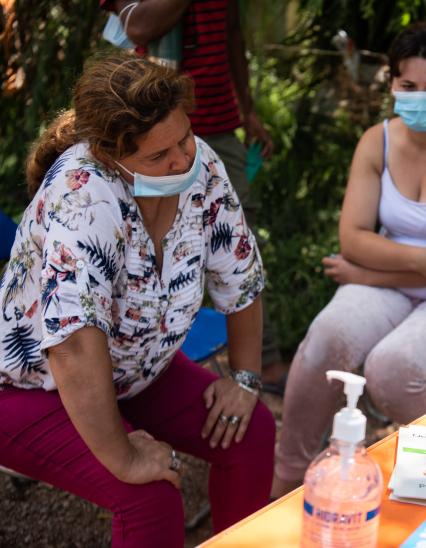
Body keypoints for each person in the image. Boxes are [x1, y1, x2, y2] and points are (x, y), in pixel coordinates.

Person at [0, 54, 274, 546]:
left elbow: (241, 275)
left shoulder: (201, 167)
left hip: (136, 373)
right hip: (29, 388)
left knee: (249, 430)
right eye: (158, 156)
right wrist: (123, 456)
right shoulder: (82, 195)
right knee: (149, 495)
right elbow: (73, 348)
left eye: (185, 137)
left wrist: (246, 379)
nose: (183, 159)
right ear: (109, 156)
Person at [272, 22, 426, 496]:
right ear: (391, 84)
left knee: (392, 368)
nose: (420, 97)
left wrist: (365, 268)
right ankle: (284, 480)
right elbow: (353, 240)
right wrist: (398, 261)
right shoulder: (376, 140)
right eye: (408, 87)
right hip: (395, 285)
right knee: (325, 340)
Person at [101, 0, 280, 369]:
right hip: (151, 136)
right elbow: (138, 27)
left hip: (219, 123)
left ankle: (261, 359)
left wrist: (247, 111)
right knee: (153, 242)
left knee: (239, 241)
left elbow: (232, 34)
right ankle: (151, 357)